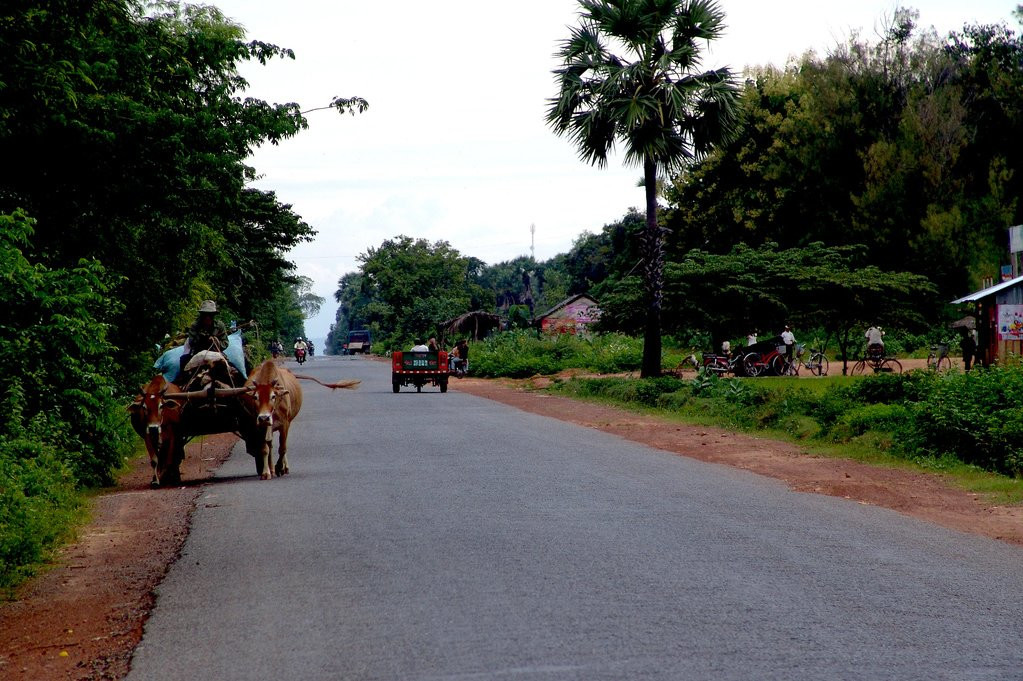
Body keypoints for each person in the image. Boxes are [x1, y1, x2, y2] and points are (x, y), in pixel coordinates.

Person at [177, 300, 229, 380]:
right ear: (201, 315)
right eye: (205, 315)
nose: (207, 317)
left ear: (213, 315)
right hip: (198, 353)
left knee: (229, 367)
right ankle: (182, 383)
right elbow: (191, 342)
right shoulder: (195, 326)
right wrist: (201, 339)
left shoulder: (220, 326)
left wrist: (215, 341)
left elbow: (225, 343)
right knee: (183, 360)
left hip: (215, 353)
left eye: (210, 315)